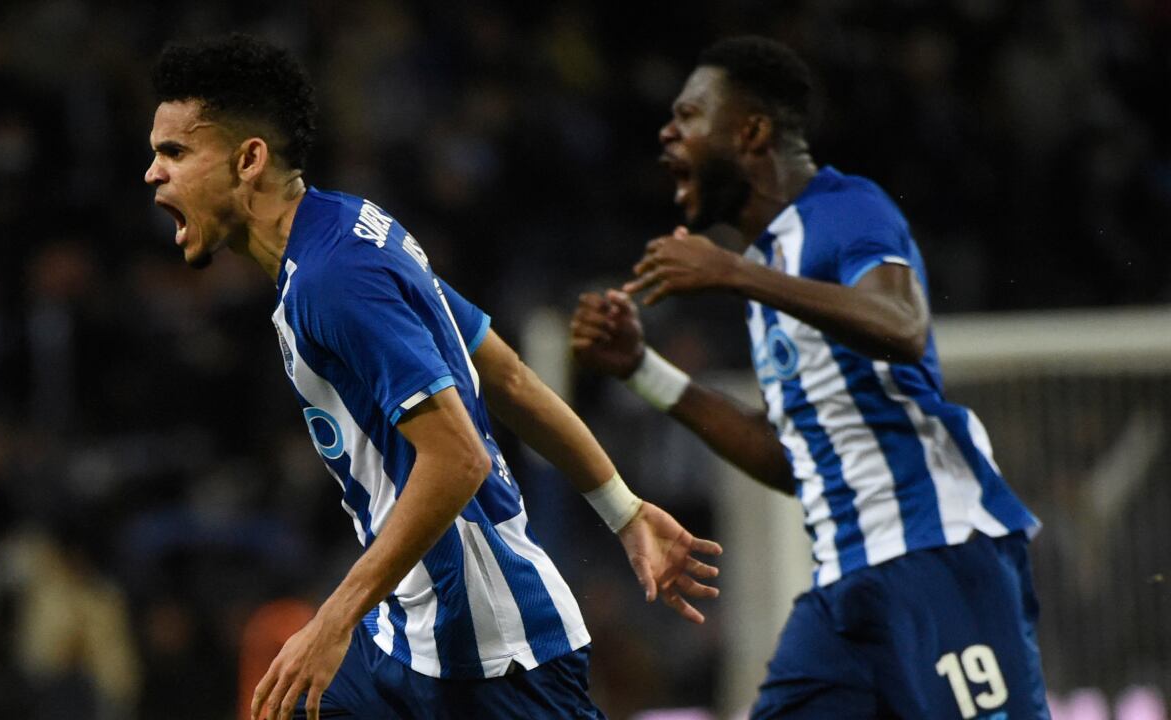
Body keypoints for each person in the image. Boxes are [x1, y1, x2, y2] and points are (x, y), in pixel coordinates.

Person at [143, 34, 723, 720]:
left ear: (249, 160)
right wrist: (624, 511)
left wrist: (332, 621)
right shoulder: (349, 231)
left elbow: (458, 458)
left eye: (174, 152)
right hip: (408, 640)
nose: (153, 174)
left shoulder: (336, 280)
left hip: (493, 658)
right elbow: (504, 372)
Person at [571, 36, 1050, 719]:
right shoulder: (770, 271)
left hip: (934, 555)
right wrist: (641, 369)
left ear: (752, 130)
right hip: (843, 599)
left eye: (689, 114)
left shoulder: (844, 209)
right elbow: (796, 457)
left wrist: (734, 274)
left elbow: (903, 324)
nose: (667, 131)